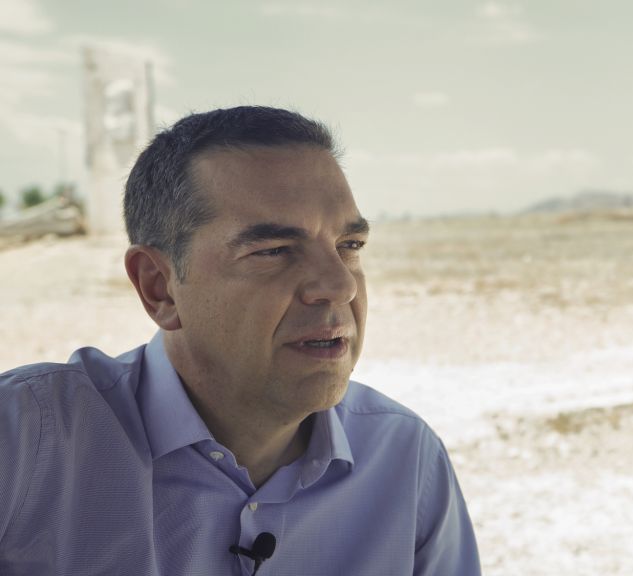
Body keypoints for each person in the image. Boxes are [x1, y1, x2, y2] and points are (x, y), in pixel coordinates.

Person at [0, 106, 481, 575]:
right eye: (274, 251)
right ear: (159, 286)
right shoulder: (26, 443)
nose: (340, 285)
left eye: (349, 246)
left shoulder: (405, 459)